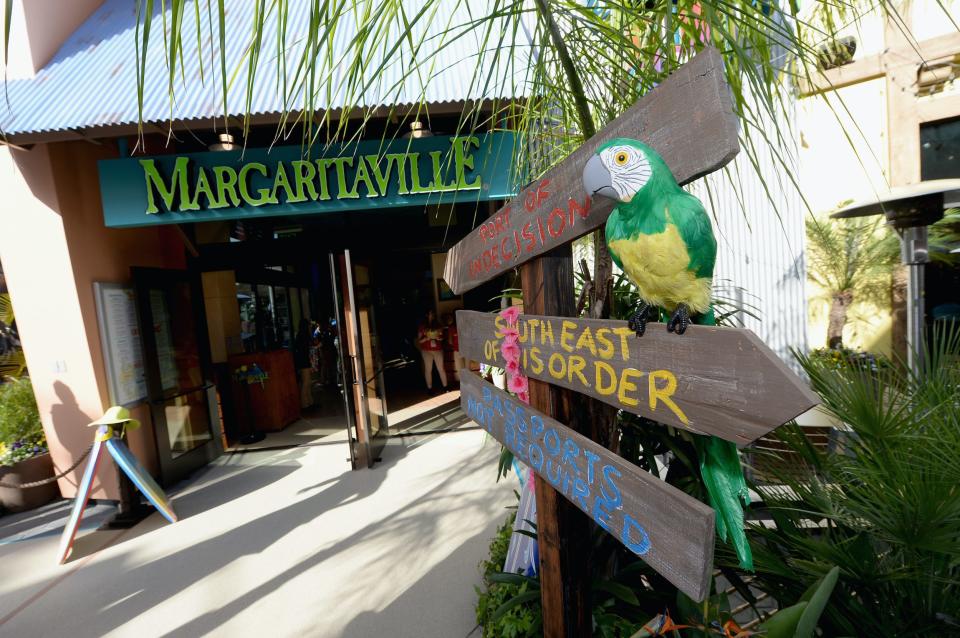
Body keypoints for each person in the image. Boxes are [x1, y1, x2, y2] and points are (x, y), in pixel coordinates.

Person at [417, 309, 447, 393]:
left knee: (441, 368)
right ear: (427, 315)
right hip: (426, 350)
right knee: (428, 369)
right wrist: (427, 338)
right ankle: (429, 388)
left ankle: (445, 387)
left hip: (438, 350)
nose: (432, 315)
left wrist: (438, 338)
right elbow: (419, 340)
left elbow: (442, 337)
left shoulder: (438, 325)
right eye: (430, 313)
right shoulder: (422, 327)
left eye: (433, 313)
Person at [294, 318, 314, 409]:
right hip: (304, 360)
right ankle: (305, 404)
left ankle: (309, 402)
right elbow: (305, 350)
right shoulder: (304, 335)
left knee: (306, 382)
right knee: (306, 382)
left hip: (302, 360)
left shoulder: (299, 335)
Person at [443, 313, 463, 383]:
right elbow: (450, 341)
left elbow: (450, 341)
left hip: (460, 350)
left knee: (459, 368)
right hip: (459, 350)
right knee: (463, 368)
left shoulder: (452, 327)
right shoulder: (453, 327)